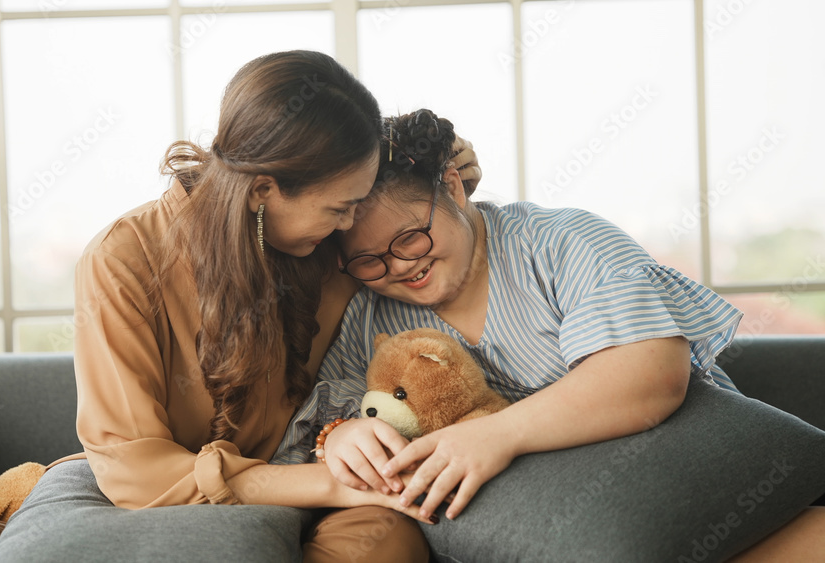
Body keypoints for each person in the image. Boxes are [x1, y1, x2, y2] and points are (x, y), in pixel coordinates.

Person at [0, 52, 482, 562]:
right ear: (264, 189)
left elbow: (413, 244)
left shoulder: (327, 248)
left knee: (381, 543)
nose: (351, 227)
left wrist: (443, 173)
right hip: (165, 495)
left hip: (300, 480)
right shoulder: (122, 260)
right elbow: (135, 467)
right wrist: (330, 485)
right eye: (339, 209)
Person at [273, 108, 825, 562]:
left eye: (411, 240)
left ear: (450, 186)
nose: (398, 268)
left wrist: (496, 435)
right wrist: (342, 437)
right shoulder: (371, 313)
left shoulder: (560, 244)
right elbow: (329, 413)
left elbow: (649, 374)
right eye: (368, 261)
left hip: (684, 481)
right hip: (560, 532)